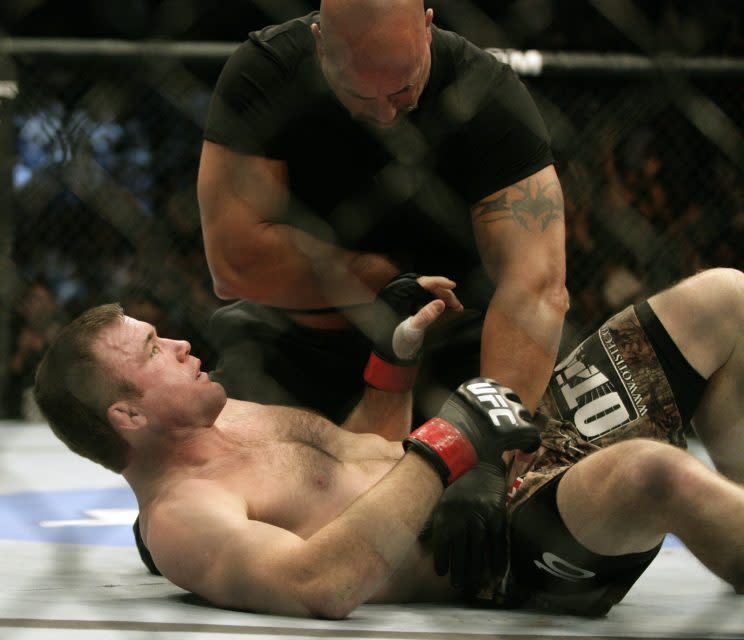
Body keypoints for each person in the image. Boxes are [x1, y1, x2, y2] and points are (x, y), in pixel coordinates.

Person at [33, 267, 744, 618]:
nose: (181, 342)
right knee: (655, 473)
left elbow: (362, 462)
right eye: (154, 348)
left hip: (514, 457)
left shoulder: (229, 416)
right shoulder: (182, 518)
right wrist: (453, 451)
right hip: (508, 545)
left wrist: (393, 357)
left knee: (725, 296)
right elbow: (316, 585)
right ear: (127, 416)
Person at [197, 0, 568, 426]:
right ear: (320, 42)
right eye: (357, 93)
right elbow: (235, 265)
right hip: (302, 343)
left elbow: (536, 285)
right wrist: (391, 283)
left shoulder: (485, 93)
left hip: (445, 346)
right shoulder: (268, 72)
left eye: (402, 91)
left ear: (427, 27)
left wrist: (491, 435)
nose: (385, 115)